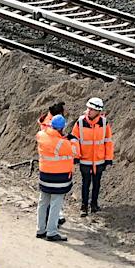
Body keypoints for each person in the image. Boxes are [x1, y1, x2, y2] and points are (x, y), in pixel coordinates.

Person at [35, 105, 75, 242]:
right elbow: (75, 151)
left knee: (43, 202)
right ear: (62, 128)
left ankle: (40, 229)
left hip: (44, 175)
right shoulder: (62, 144)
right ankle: (51, 232)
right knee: (55, 204)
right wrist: (72, 139)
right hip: (59, 178)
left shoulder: (41, 136)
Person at [74, 96, 115, 217]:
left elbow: (108, 141)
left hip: (99, 160)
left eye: (92, 109)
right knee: (85, 183)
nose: (89, 111)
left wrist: (108, 158)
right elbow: (74, 140)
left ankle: (94, 204)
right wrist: (76, 155)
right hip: (85, 160)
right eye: (88, 108)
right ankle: (84, 206)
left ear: (98, 111)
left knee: (97, 183)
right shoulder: (80, 122)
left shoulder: (104, 123)